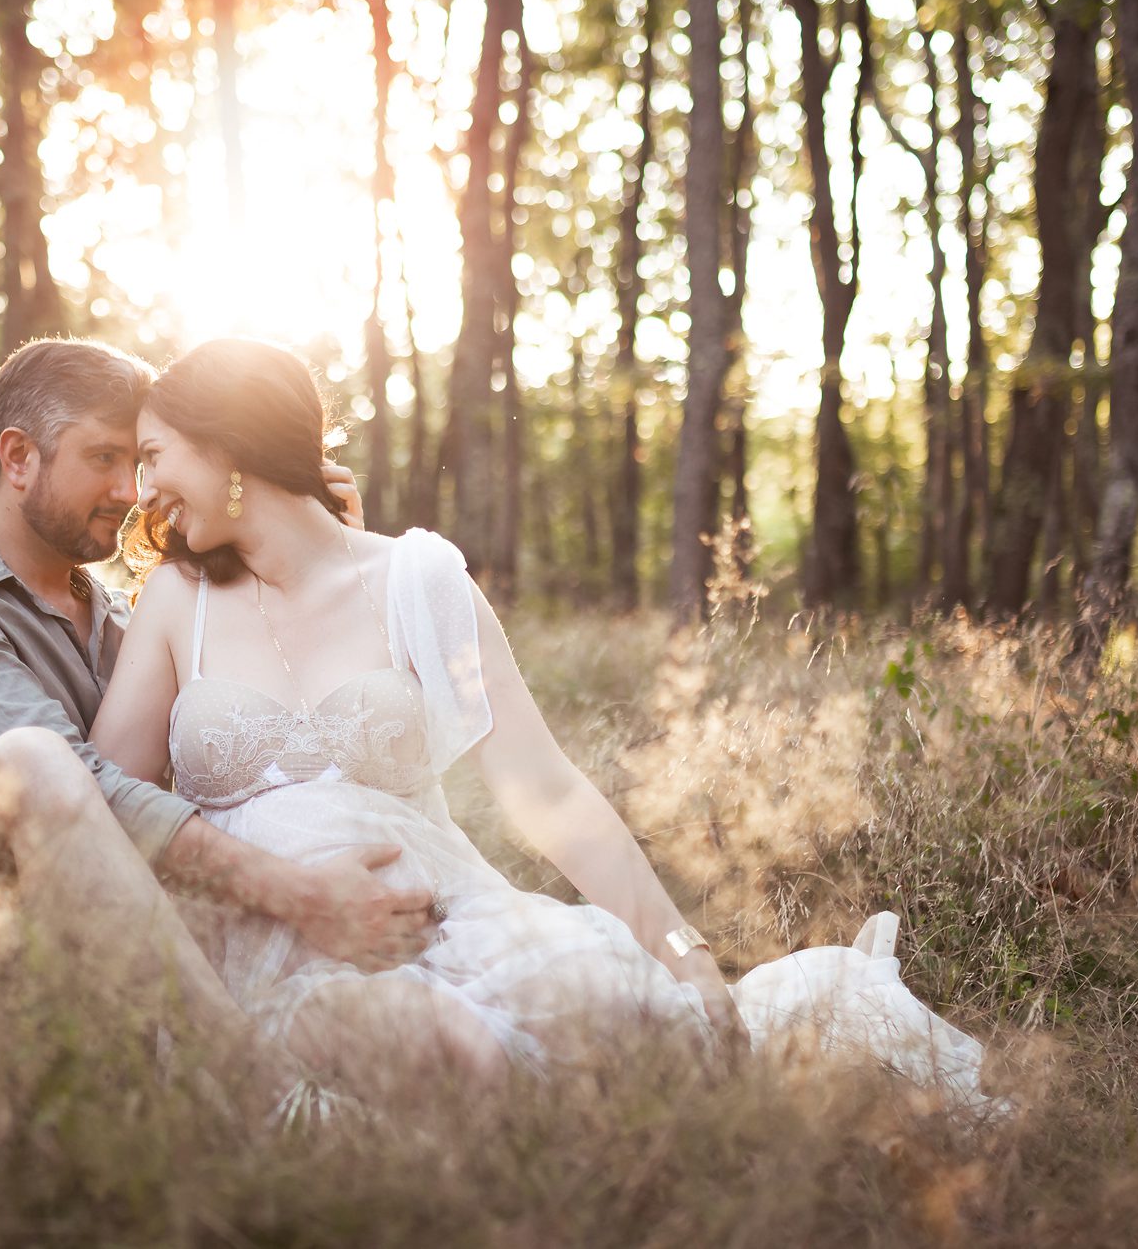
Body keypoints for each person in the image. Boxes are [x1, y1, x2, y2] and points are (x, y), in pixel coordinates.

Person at [75, 337, 1003, 1113]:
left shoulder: (419, 583)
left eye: (155, 453)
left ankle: (852, 1053)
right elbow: (106, 799)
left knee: (641, 1028)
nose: (141, 485)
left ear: (227, 446)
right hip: (264, 954)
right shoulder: (177, 602)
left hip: (452, 925)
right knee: (459, 1064)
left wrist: (684, 952)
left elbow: (547, 792)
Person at [0, 337, 431, 1116]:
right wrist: (298, 894)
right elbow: (87, 786)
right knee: (36, 758)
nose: (132, 488)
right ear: (18, 458)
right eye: (103, 457)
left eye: (144, 460)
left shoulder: (120, 614)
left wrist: (312, 544)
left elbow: (245, 762)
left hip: (106, 963)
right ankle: (271, 1108)